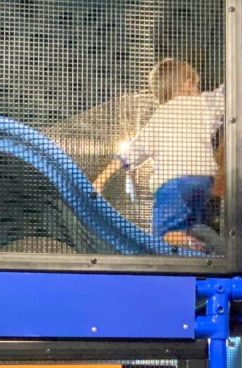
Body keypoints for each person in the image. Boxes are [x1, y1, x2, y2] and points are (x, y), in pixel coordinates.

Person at [95, 58, 224, 252]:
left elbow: (130, 153)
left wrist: (101, 179)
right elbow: (226, 92)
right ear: (188, 84)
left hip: (173, 184)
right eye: (197, 85)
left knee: (161, 235)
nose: (198, 90)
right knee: (194, 224)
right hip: (204, 182)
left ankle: (188, 241)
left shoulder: (158, 119)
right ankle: (204, 244)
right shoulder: (203, 104)